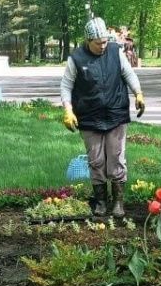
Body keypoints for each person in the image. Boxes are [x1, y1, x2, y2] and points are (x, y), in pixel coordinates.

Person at [60, 17, 145, 217]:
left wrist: (138, 93)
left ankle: (117, 203)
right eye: (98, 43)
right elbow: (66, 85)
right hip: (89, 117)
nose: (103, 46)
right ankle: (100, 201)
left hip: (116, 113)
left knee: (116, 158)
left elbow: (129, 74)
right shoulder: (77, 58)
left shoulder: (116, 52)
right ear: (88, 41)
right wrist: (68, 110)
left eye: (105, 42)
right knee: (96, 161)